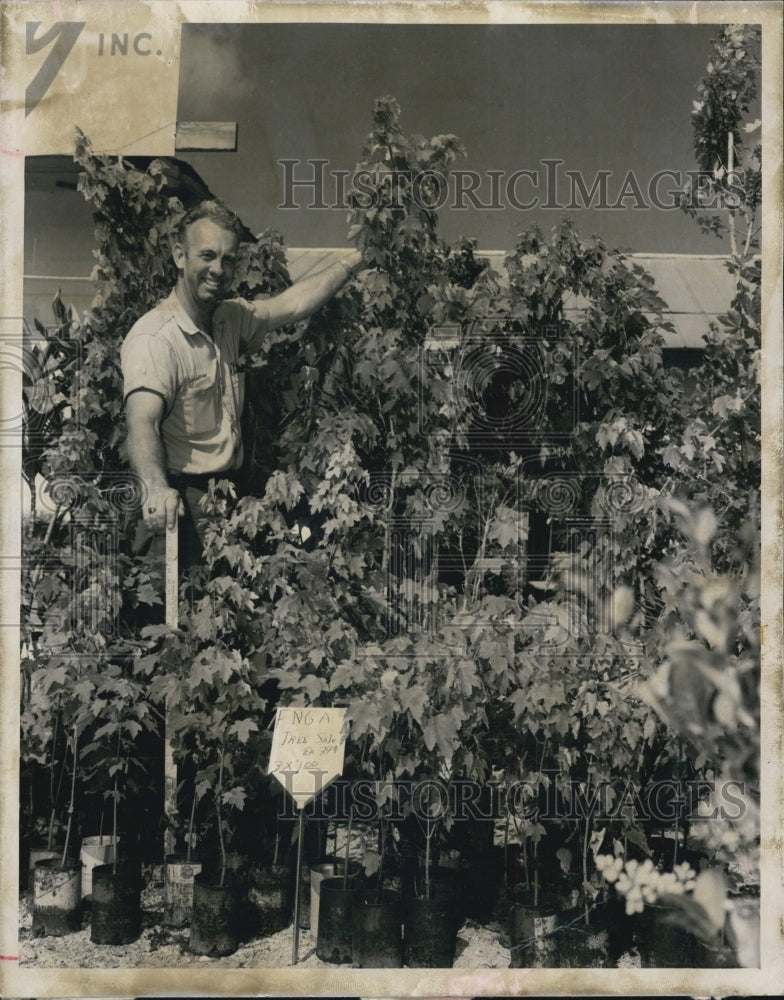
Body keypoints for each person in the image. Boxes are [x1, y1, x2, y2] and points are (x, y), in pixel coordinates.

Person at [120, 199, 364, 566]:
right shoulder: (155, 338)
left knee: (227, 618)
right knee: (169, 620)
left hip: (226, 498)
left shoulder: (229, 319)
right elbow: (142, 421)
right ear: (179, 256)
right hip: (177, 508)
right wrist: (155, 487)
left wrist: (354, 261)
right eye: (207, 255)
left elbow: (294, 304)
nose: (217, 269)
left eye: (228, 259)